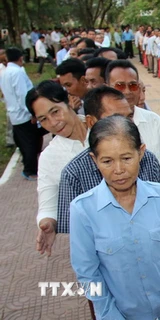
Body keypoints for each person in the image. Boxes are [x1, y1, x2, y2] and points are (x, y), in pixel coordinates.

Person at [70, 115, 160, 320]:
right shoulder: (83, 210)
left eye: (127, 158)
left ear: (141, 153)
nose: (119, 170)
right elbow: (88, 274)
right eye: (107, 161)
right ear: (94, 160)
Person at [57, 86, 160, 235]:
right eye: (116, 118)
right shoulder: (73, 173)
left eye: (129, 117)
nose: (126, 125)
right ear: (91, 122)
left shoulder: (147, 158)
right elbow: (74, 235)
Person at [26, 80, 89, 257]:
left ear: (69, 101)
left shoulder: (104, 128)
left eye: (55, 111)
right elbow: (48, 204)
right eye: (43, 119)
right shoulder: (50, 157)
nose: (53, 123)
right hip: (93, 242)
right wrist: (48, 224)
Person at [105, 59, 160, 183]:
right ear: (107, 87)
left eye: (133, 86)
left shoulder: (153, 120)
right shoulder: (98, 123)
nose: (127, 91)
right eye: (120, 86)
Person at [0, 48, 43, 180]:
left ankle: (29, 167)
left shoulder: (5, 72)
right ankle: (30, 170)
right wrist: (32, 113)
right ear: (20, 58)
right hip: (24, 114)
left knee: (24, 142)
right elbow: (22, 95)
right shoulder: (17, 72)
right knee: (30, 143)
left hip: (14, 114)